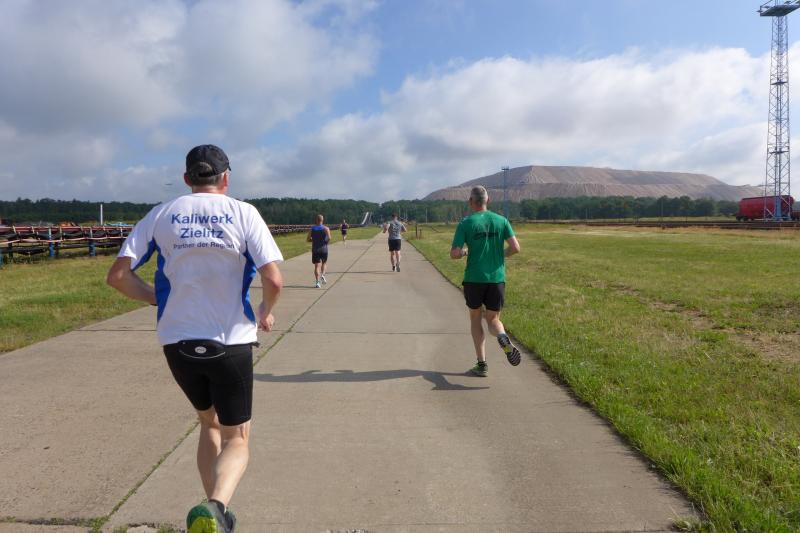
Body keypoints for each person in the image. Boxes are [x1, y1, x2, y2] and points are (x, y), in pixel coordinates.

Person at [106, 144, 283, 533]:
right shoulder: (244, 213)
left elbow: (118, 276)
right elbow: (273, 278)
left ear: (187, 178)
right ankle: (216, 506)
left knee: (208, 423)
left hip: (177, 342)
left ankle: (215, 517)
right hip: (230, 341)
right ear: (226, 178)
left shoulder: (161, 214)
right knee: (238, 437)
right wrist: (264, 311)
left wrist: (157, 297)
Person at [450, 185, 521, 376]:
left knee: (475, 318)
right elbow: (516, 248)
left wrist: (465, 252)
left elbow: (454, 253)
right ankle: (502, 336)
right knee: (493, 319)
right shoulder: (501, 220)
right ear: (488, 200)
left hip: (474, 278)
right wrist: (501, 255)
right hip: (496, 279)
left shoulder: (466, 223)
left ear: (470, 202)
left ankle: (481, 364)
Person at [307, 214, 331, 288]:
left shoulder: (312, 229)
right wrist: (325, 242)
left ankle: (317, 282)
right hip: (324, 249)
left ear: (316, 220)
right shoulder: (326, 228)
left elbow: (308, 239)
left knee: (317, 266)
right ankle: (323, 275)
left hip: (315, 250)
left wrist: (313, 240)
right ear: (322, 220)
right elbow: (329, 238)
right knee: (324, 263)